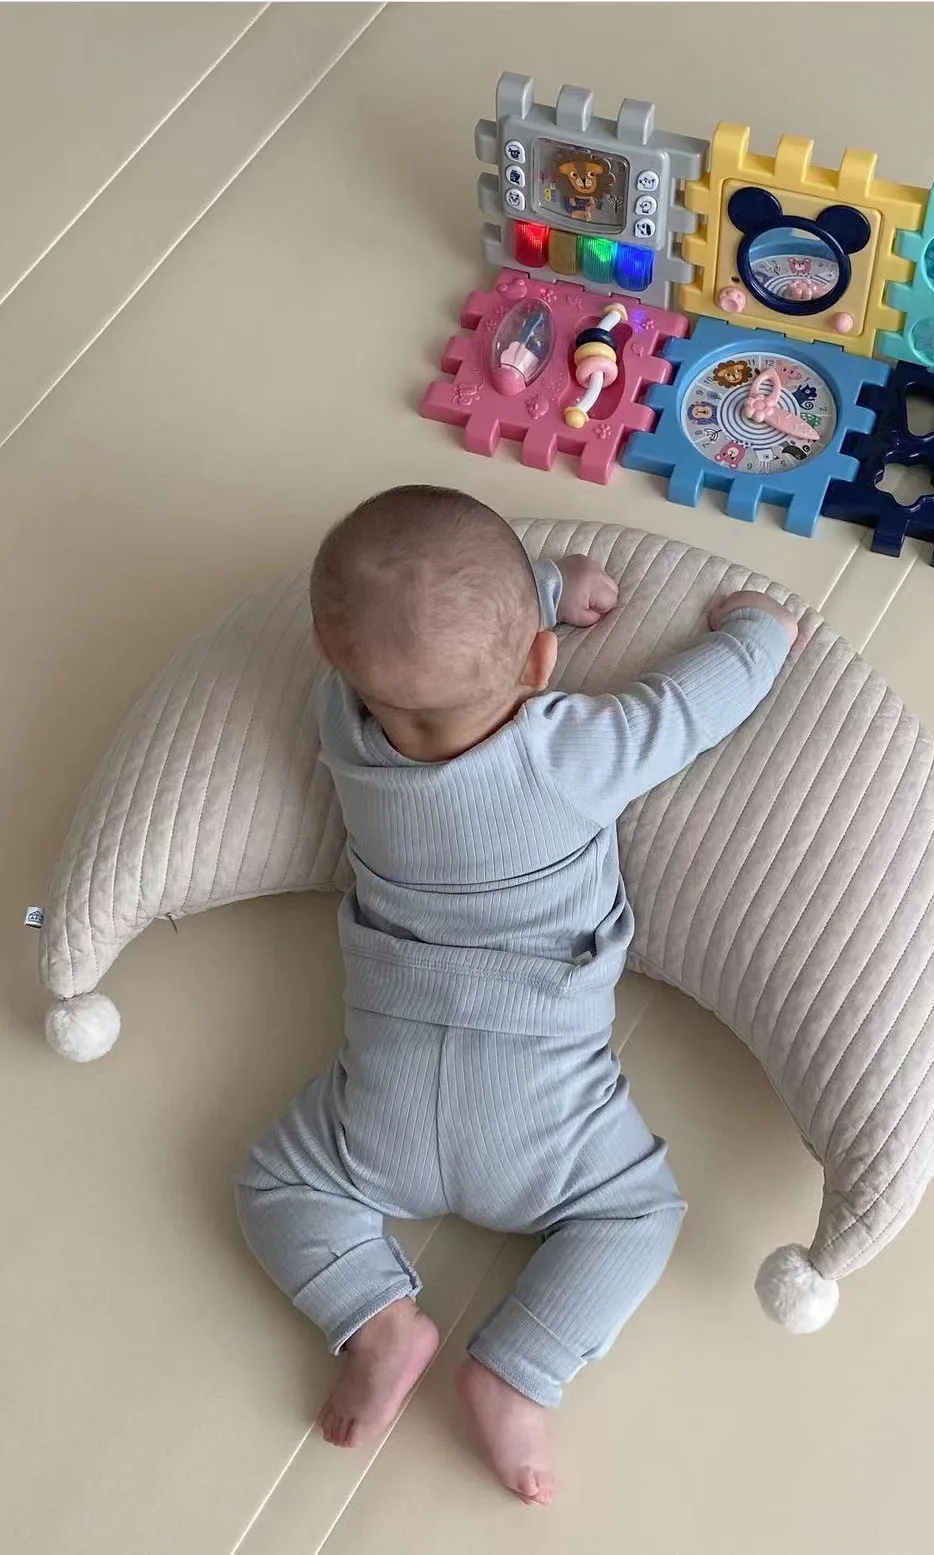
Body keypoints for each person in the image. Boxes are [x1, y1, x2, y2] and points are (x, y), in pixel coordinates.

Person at [235, 485, 797, 1504]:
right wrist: (759, 631)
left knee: (275, 1184)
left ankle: (374, 1318)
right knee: (639, 1212)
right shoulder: (574, 753)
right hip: (546, 1108)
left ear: (332, 651)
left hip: (384, 1098)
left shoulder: (343, 726)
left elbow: (416, 639)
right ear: (542, 661)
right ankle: (515, 1369)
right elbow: (694, 705)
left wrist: (544, 589)